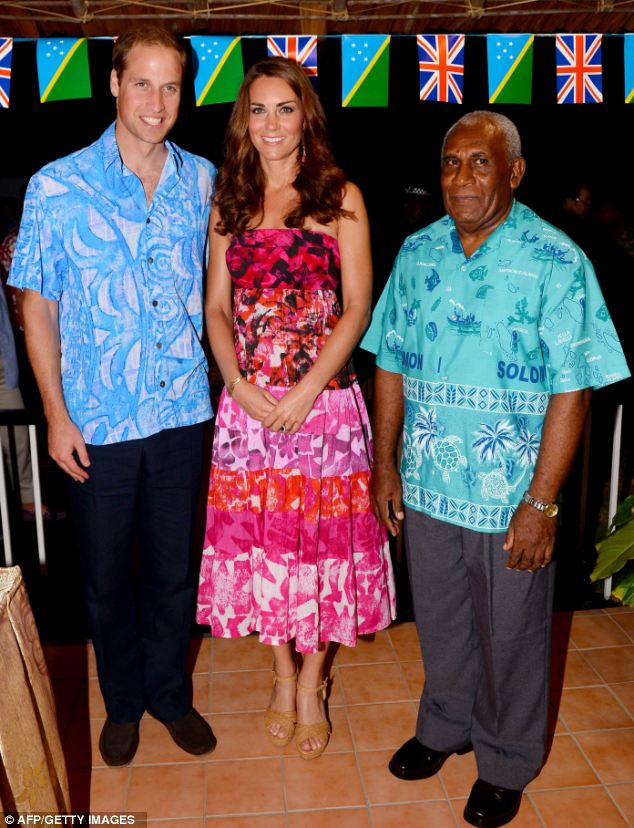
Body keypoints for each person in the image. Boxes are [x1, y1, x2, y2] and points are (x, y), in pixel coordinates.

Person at [362, 111, 630, 826]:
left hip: (510, 493)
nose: (462, 178)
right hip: (426, 483)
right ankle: (445, 725)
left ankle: (507, 756)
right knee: (443, 619)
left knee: (511, 631)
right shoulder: (417, 253)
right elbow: (389, 359)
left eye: (480, 163)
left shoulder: (557, 259)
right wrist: (384, 466)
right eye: (451, 163)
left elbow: (573, 386)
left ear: (514, 172)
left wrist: (542, 503)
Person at [9, 27, 217, 767]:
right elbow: (37, 306)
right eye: (142, 83)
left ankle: (169, 695)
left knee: (173, 569)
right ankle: (122, 703)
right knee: (102, 576)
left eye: (170, 86)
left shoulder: (204, 180)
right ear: (113, 83)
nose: (157, 102)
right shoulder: (57, 185)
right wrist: (56, 414)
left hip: (183, 413)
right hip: (95, 419)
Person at [195, 57, 396, 760]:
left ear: (304, 118)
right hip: (246, 413)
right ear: (243, 120)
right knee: (264, 545)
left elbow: (359, 307)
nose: (271, 123)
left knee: (326, 547)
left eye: (285, 109)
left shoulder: (342, 198)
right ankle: (280, 670)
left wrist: (309, 386)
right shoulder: (229, 202)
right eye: (258, 109)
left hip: (327, 407)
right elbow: (216, 309)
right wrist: (238, 385)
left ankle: (314, 680)